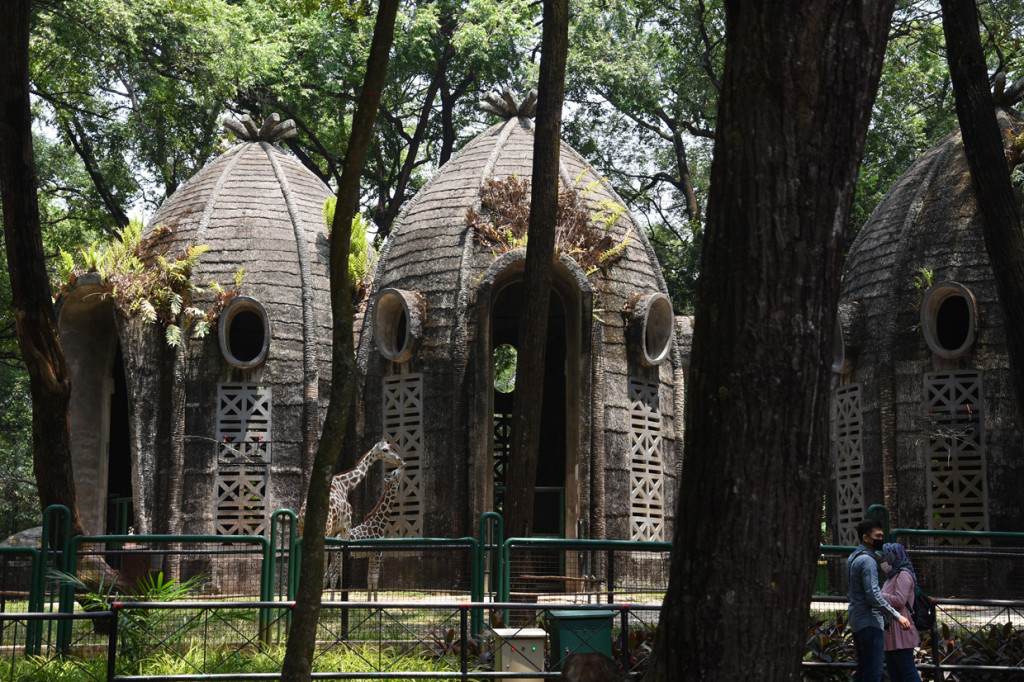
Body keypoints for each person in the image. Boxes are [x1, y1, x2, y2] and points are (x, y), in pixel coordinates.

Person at [847, 519, 910, 682]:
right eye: (878, 536)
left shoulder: (854, 557)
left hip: (857, 620)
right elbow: (873, 596)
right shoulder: (867, 561)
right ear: (866, 538)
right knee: (873, 672)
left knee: (863, 670)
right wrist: (897, 616)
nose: (881, 539)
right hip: (870, 622)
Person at [881, 543, 924, 682]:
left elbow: (900, 601)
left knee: (908, 672)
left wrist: (879, 595)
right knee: (895, 674)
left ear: (894, 557)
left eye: (885, 558)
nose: (883, 562)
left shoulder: (903, 575)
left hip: (901, 629)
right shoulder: (891, 577)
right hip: (890, 630)